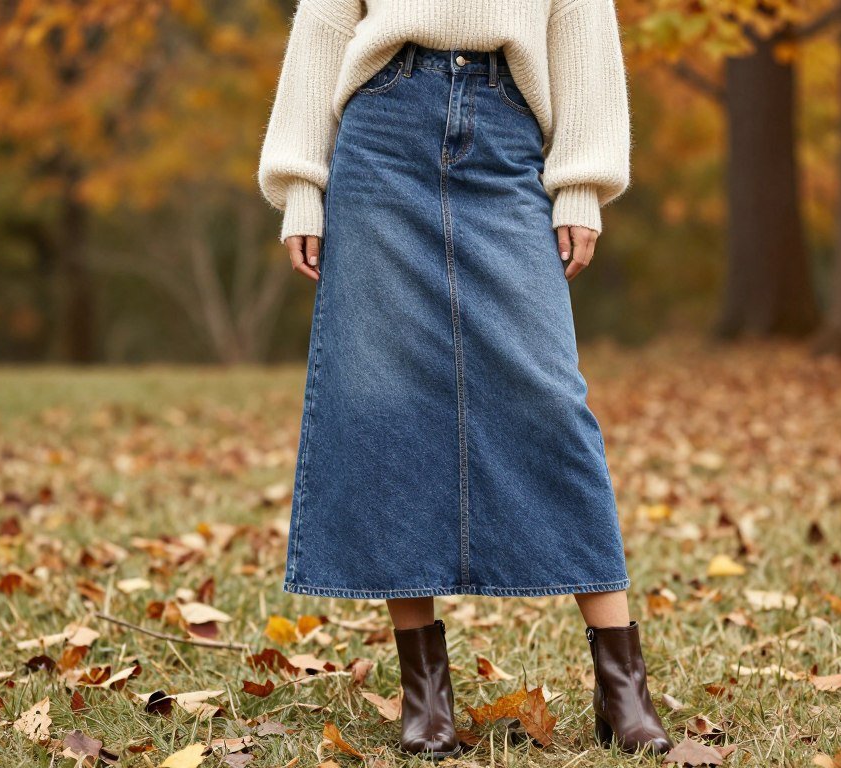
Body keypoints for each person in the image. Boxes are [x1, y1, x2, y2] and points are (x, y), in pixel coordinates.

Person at [257, 0, 673, 759]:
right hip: (382, 132)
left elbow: (581, 18)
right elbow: (324, 21)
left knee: (550, 399)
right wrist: (300, 182)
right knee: (384, 399)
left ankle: (622, 687)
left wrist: (580, 180)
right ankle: (425, 694)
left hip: (509, 127)